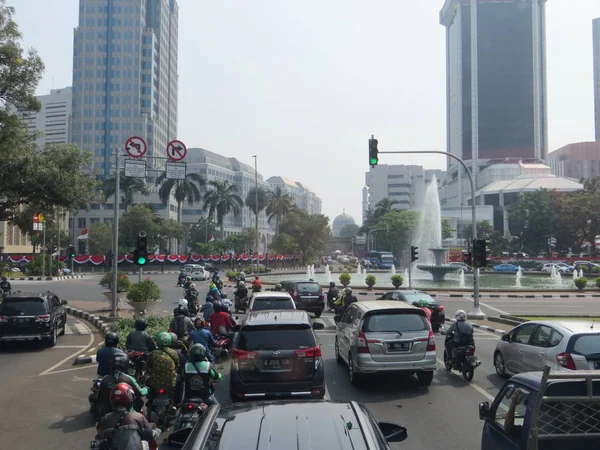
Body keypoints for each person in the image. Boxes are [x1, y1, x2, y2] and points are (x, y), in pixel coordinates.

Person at [96, 383, 160, 450]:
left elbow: (98, 440)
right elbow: (150, 435)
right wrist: (158, 430)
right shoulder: (137, 417)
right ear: (130, 398)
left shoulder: (103, 420)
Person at [146, 332, 180, 400]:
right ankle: (177, 401)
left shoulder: (153, 353)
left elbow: (148, 367)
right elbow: (177, 366)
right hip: (170, 384)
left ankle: (150, 401)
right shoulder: (173, 353)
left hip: (155, 383)